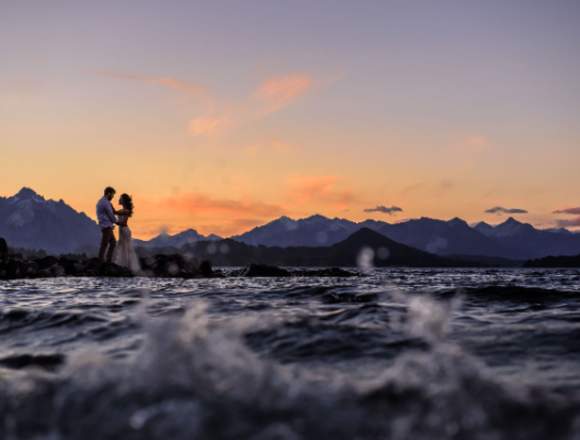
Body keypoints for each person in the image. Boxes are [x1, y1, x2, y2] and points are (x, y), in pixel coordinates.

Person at [113, 193, 141, 273]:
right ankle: (124, 265)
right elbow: (115, 212)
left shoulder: (125, 211)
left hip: (125, 230)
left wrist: (115, 222)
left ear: (124, 201)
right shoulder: (123, 210)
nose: (119, 199)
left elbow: (123, 222)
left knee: (125, 248)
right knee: (122, 247)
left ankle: (126, 266)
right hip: (122, 231)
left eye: (120, 198)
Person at [96, 187, 118, 263]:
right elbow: (111, 214)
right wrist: (116, 222)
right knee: (105, 244)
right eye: (112, 195)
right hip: (106, 226)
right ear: (108, 193)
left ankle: (108, 260)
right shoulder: (105, 203)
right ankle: (101, 260)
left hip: (106, 225)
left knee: (113, 243)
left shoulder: (101, 201)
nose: (113, 197)